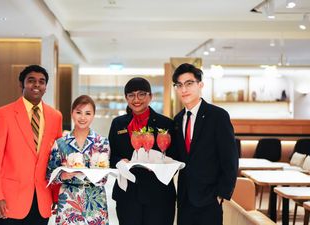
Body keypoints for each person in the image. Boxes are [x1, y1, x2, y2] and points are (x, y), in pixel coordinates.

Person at [0, 65, 63, 225]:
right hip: (9, 200)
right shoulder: (4, 114)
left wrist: (56, 195)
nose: (36, 85)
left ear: (45, 87)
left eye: (41, 82)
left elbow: (55, 160)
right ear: (22, 84)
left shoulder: (55, 116)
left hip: (42, 198)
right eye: (31, 80)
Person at [172, 63, 238, 225]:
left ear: (200, 85)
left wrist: (221, 194)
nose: (184, 89)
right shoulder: (178, 119)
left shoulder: (218, 116)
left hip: (210, 198)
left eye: (189, 83)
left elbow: (230, 158)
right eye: (179, 85)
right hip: (185, 197)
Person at [109, 77, 176, 225]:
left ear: (150, 96)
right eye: (131, 95)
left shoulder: (166, 124)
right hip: (128, 193)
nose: (136, 99)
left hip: (159, 194)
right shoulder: (118, 124)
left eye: (141, 94)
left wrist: (160, 165)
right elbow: (111, 156)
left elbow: (174, 158)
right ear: (126, 98)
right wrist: (120, 161)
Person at [47, 95, 111, 225]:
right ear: (72, 113)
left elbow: (104, 178)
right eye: (78, 112)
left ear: (93, 115)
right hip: (68, 198)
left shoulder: (102, 142)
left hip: (96, 201)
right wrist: (62, 175)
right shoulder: (60, 143)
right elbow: (49, 174)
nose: (83, 117)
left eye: (88, 113)